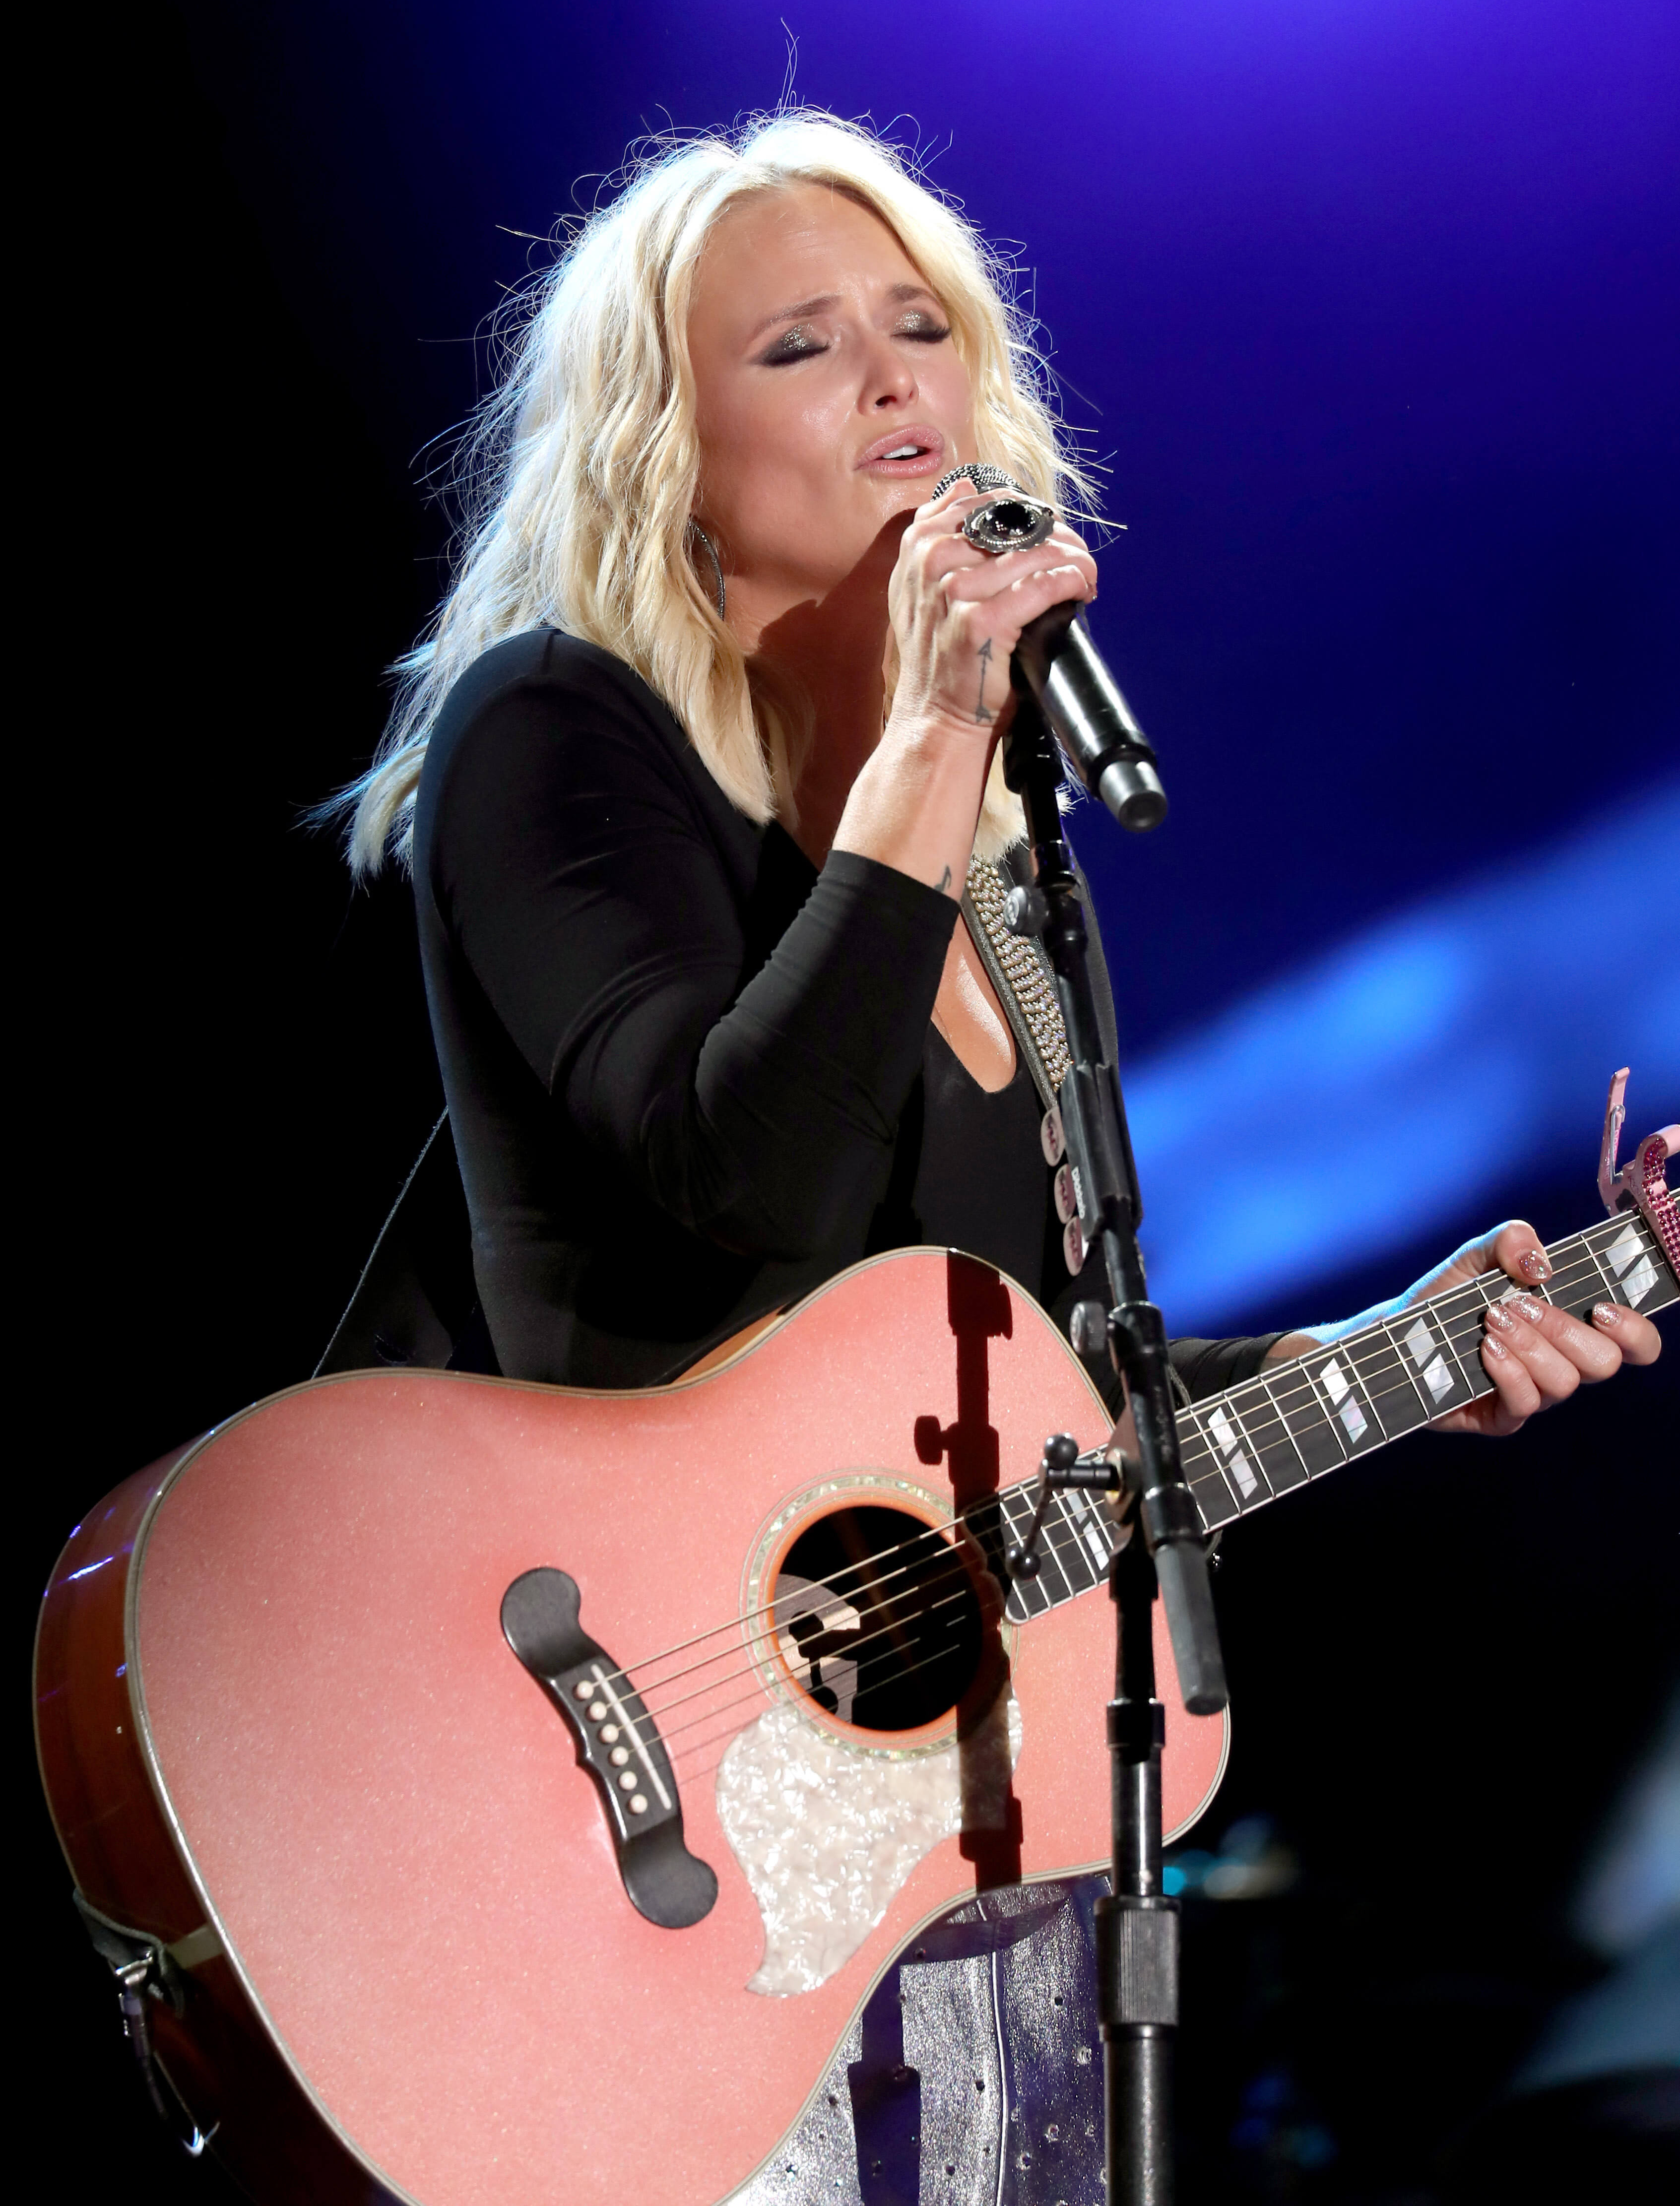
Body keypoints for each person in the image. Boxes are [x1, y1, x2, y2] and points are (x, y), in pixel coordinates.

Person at [331, 113, 1660, 2203]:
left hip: (958, 1852)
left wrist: (1409, 1348)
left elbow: (1022, 1399)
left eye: (919, 328)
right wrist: (934, 735)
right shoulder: (556, 737)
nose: (890, 385)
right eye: (797, 346)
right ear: (656, 443)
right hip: (632, 1832)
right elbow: (740, 1186)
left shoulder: (1010, 884)